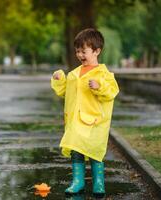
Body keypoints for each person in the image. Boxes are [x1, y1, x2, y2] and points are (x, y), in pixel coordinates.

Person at [51, 28, 119, 198]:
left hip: (94, 121)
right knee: (76, 150)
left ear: (97, 51)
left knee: (94, 150)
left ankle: (98, 183)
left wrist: (99, 86)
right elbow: (66, 93)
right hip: (75, 120)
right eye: (77, 51)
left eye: (84, 51)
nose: (80, 55)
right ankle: (78, 182)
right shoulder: (74, 74)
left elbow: (112, 91)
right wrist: (60, 80)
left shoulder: (103, 74)